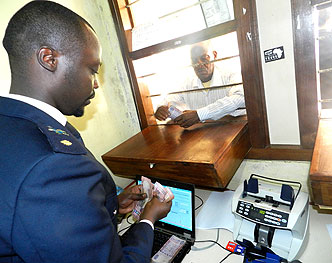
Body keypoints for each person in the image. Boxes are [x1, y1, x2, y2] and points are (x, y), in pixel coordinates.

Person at [0, 1, 171, 263]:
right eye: (92, 69)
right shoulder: (53, 166)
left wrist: (109, 204)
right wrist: (148, 218)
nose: (95, 84)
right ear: (49, 59)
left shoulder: (11, 124)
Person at [154, 41, 246, 128]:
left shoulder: (231, 75)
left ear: (214, 55)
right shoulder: (187, 83)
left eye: (204, 58)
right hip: (202, 136)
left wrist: (199, 115)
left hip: (234, 130)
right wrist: (161, 108)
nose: (199, 64)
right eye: (194, 60)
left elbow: (239, 98)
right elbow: (169, 100)